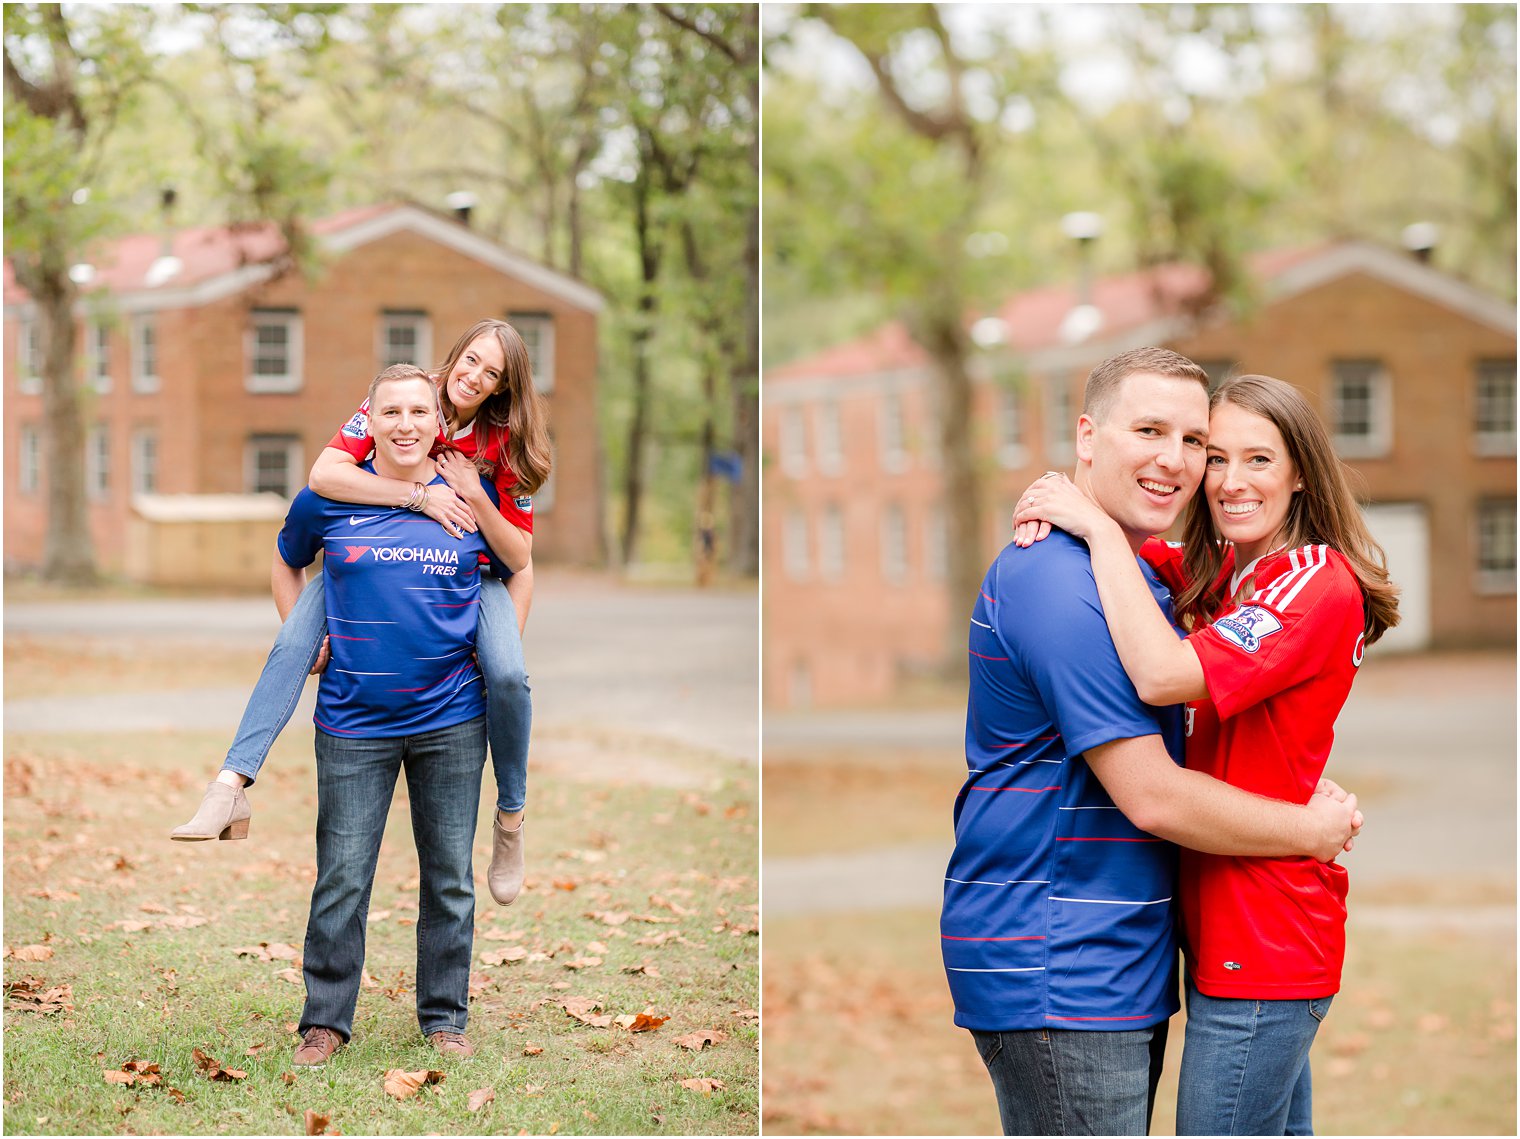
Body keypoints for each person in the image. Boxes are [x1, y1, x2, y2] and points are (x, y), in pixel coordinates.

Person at [940, 347, 1363, 1137]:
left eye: (1193, 441)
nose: (1194, 466)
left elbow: (1171, 669)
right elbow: (1153, 792)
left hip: (1157, 949)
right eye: (1151, 430)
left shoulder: (1173, 576)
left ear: (1301, 471)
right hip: (1061, 961)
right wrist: (1309, 826)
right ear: (1089, 435)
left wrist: (1095, 521)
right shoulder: (1073, 580)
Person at [172, 319, 548, 907]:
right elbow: (325, 473)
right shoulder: (407, 393)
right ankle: (230, 783)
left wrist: (473, 495)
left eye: (492, 372)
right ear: (456, 355)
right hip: (361, 550)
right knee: (294, 642)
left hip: (470, 576)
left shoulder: (507, 443)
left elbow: (520, 559)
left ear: (504, 386)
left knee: (507, 674)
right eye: (471, 359)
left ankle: (511, 818)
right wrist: (419, 496)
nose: (474, 377)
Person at [276, 364, 500, 1066]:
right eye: (391, 411)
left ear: (440, 424)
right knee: (342, 871)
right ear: (367, 422)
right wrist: (303, 640)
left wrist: (502, 662)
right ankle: (325, 1022)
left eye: (419, 411)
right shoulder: (330, 496)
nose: (405, 423)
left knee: (450, 876)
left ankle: (444, 1018)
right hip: (351, 720)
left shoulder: (468, 495)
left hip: (453, 717)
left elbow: (517, 567)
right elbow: (286, 561)